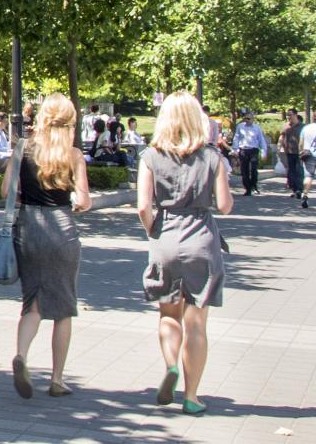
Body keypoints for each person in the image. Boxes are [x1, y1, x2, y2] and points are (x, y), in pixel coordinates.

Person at [137, 91, 233, 416]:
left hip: (166, 234)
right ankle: (192, 397)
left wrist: (153, 230)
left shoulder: (150, 156)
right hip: (201, 236)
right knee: (197, 323)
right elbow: (225, 206)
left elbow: (142, 206)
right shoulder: (212, 157)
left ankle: (170, 365)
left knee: (168, 314)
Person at [5, 94, 92, 399]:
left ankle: (21, 355)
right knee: (64, 307)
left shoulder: (23, 148)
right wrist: (74, 201)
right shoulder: (73, 155)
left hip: (29, 226)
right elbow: (84, 201)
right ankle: (57, 380)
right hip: (62, 228)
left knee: (32, 302)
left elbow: (6, 190)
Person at [232, 113, 267, 196]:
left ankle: (253, 185)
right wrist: (235, 149)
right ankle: (247, 188)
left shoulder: (257, 128)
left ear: (252, 119)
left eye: (248, 119)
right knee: (244, 171)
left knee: (254, 169)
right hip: (243, 150)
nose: (247, 120)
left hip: (253, 150)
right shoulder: (240, 127)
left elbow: (261, 139)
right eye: (245, 118)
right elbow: (236, 138)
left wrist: (263, 151)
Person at [279, 112, 306, 205]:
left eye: (290, 115)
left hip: (299, 152)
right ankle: (294, 189)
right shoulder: (286, 126)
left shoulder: (303, 126)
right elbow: (282, 137)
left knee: (299, 170)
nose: (288, 116)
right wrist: (279, 147)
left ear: (295, 115)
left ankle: (299, 189)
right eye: (287, 115)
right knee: (291, 171)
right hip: (289, 151)